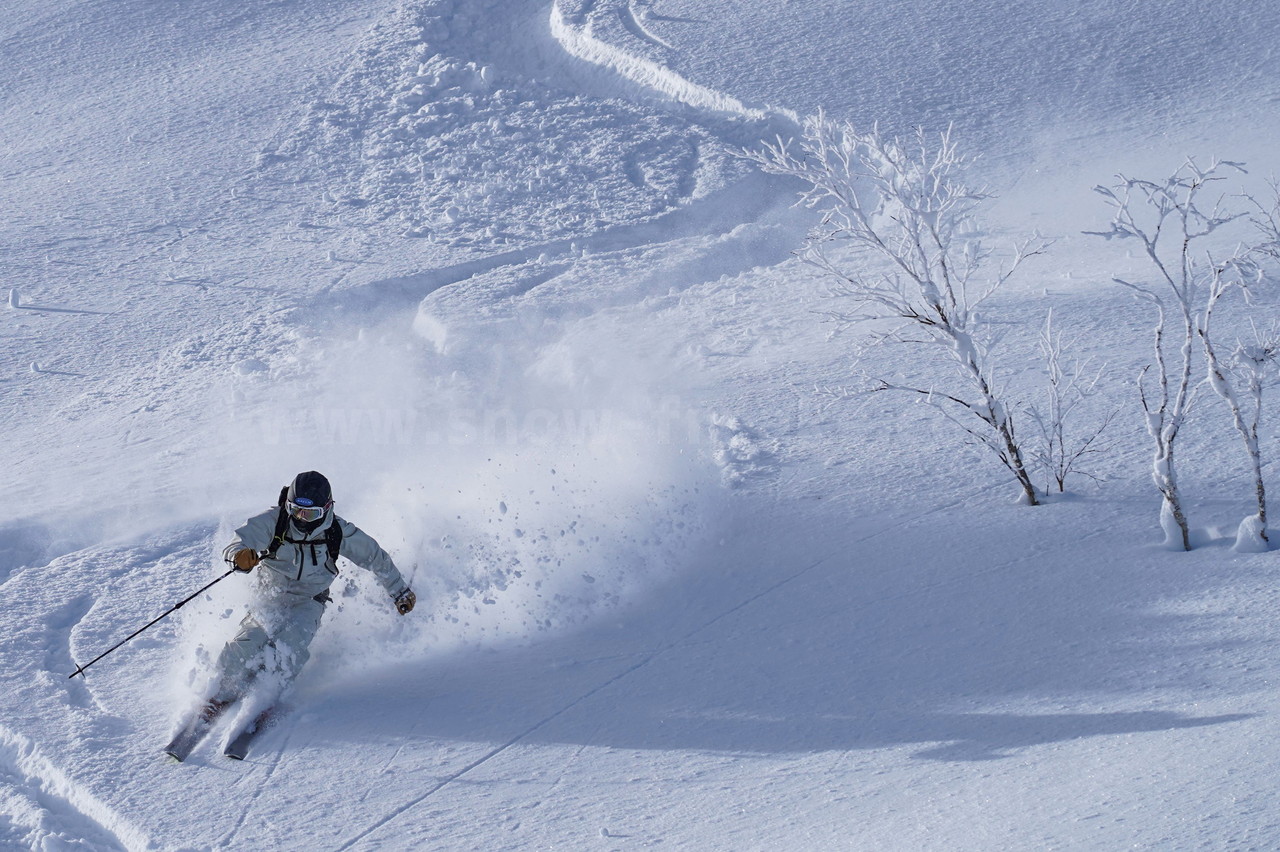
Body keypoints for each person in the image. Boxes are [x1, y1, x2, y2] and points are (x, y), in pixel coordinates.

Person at [208, 470, 415, 707]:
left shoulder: (337, 532)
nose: (302, 518)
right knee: (247, 643)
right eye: (296, 510)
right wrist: (239, 556)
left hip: (309, 599)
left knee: (291, 643)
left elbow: (375, 557)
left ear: (326, 508)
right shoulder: (273, 522)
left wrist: (399, 591)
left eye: (310, 513)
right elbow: (238, 543)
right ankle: (217, 692)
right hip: (270, 595)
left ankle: (267, 694)